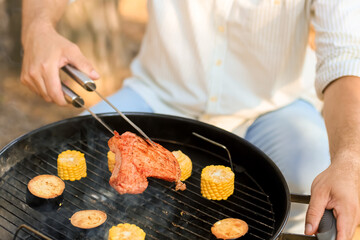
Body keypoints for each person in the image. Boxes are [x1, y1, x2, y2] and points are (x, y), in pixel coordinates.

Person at [21, 0, 360, 239]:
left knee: (307, 177)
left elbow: (346, 58)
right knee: (81, 137)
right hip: (160, 96)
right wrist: (38, 27)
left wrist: (348, 159)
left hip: (272, 106)